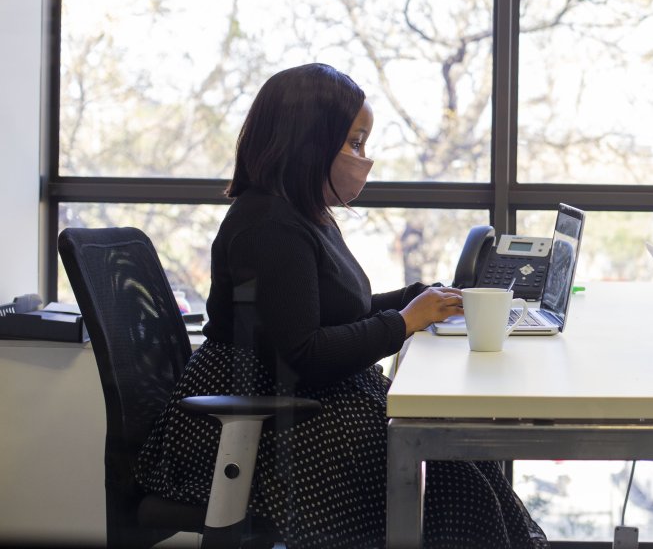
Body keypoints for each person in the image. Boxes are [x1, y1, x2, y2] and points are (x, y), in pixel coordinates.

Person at [135, 63, 548, 549]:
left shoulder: (304, 214)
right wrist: (403, 322)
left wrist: (414, 301)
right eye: (354, 143)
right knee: (449, 480)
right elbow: (302, 354)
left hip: (299, 402)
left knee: (458, 459)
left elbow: (325, 312)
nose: (364, 159)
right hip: (261, 419)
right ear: (309, 141)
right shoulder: (268, 225)